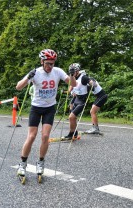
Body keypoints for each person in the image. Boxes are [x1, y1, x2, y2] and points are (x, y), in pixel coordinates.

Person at [16, 49, 76, 177]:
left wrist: (71, 75)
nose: (50, 66)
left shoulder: (58, 71)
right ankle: (22, 163)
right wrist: (28, 77)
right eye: (48, 63)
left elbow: (73, 84)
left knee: (45, 137)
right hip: (36, 108)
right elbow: (18, 87)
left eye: (52, 63)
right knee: (31, 137)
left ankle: (40, 162)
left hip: (50, 108)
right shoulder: (36, 72)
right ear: (42, 61)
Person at [63, 63, 97, 139]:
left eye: (72, 72)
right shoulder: (73, 78)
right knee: (72, 118)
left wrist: (93, 83)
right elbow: (71, 88)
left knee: (71, 117)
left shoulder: (83, 77)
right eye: (70, 72)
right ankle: (74, 133)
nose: (71, 74)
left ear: (77, 71)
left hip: (82, 101)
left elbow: (91, 82)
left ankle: (71, 134)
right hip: (76, 99)